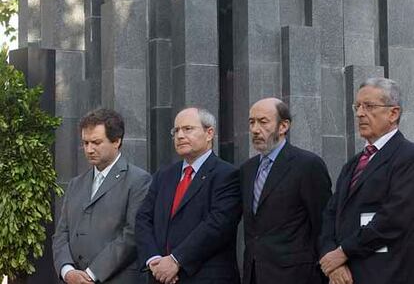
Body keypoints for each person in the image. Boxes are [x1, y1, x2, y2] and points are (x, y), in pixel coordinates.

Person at [319, 77, 414, 284]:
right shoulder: (352, 164)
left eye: (369, 106)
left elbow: (393, 218)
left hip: (386, 274)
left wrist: (344, 252)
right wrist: (333, 260)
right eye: (357, 106)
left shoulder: (408, 156)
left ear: (393, 113)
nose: (360, 113)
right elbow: (330, 214)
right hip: (344, 276)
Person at [135, 107, 241, 284]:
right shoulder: (164, 175)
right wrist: (153, 260)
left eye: (187, 129)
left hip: (205, 277)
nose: (180, 136)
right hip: (160, 276)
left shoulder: (227, 174)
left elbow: (218, 225)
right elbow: (143, 218)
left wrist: (176, 260)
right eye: (176, 131)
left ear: (209, 133)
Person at [52, 108, 151, 284]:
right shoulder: (76, 184)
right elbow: (61, 233)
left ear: (117, 141)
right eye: (85, 143)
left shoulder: (138, 181)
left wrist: (91, 274)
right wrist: (67, 271)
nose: (89, 149)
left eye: (96, 142)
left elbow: (131, 235)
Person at [241, 97, 332, 284]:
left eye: (263, 122)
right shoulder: (247, 170)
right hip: (254, 275)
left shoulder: (307, 165)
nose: (255, 129)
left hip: (296, 275)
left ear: (283, 126)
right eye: (252, 122)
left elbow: (323, 223)